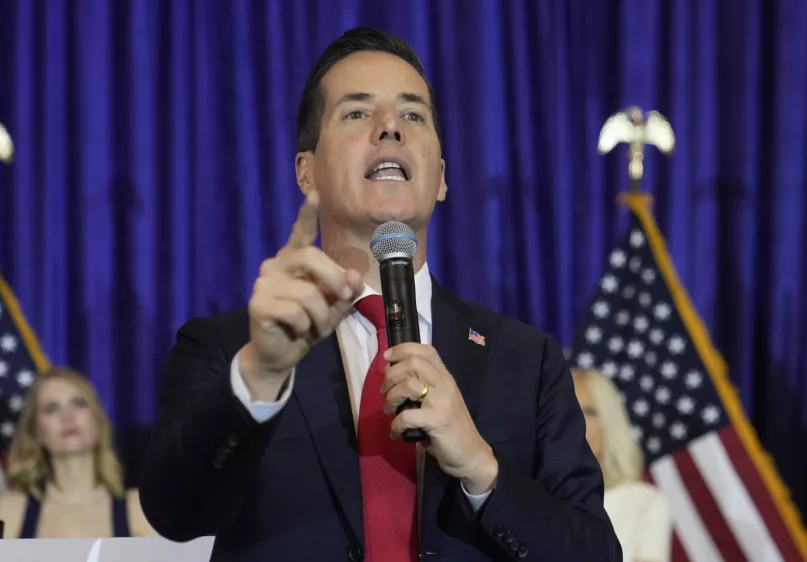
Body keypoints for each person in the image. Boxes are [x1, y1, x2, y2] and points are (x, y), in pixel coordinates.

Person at [139, 26, 620, 562]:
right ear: (306, 172)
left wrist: (483, 468)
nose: (390, 127)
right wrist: (260, 378)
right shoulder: (229, 349)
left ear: (440, 177)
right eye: (357, 112)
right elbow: (175, 515)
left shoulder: (526, 360)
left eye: (413, 115)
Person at [0, 367, 157, 539]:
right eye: (52, 408)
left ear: (98, 421)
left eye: (78, 403)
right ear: (37, 432)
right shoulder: (10, 511)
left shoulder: (141, 510)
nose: (67, 416)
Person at [572, 368, 672, 562]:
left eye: (589, 412)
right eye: (568, 410)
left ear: (609, 422)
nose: (576, 422)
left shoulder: (646, 502)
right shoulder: (531, 495)